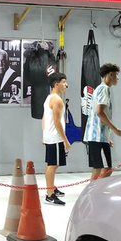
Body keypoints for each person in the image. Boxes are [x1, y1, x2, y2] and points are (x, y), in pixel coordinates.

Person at [83, 63, 121, 180]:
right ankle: (92, 190)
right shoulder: (104, 89)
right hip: (97, 136)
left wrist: (107, 136)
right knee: (101, 168)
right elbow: (99, 112)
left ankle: (95, 189)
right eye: (116, 75)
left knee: (105, 168)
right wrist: (115, 130)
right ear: (110, 75)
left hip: (100, 136)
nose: (117, 78)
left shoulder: (100, 88)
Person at [42, 72, 70, 205]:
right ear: (56, 84)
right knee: (53, 165)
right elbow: (57, 122)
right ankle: (50, 194)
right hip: (55, 137)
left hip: (50, 136)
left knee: (53, 164)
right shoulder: (57, 100)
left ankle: (51, 187)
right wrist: (66, 140)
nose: (66, 85)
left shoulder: (49, 98)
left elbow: (44, 118)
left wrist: (44, 134)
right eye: (64, 82)